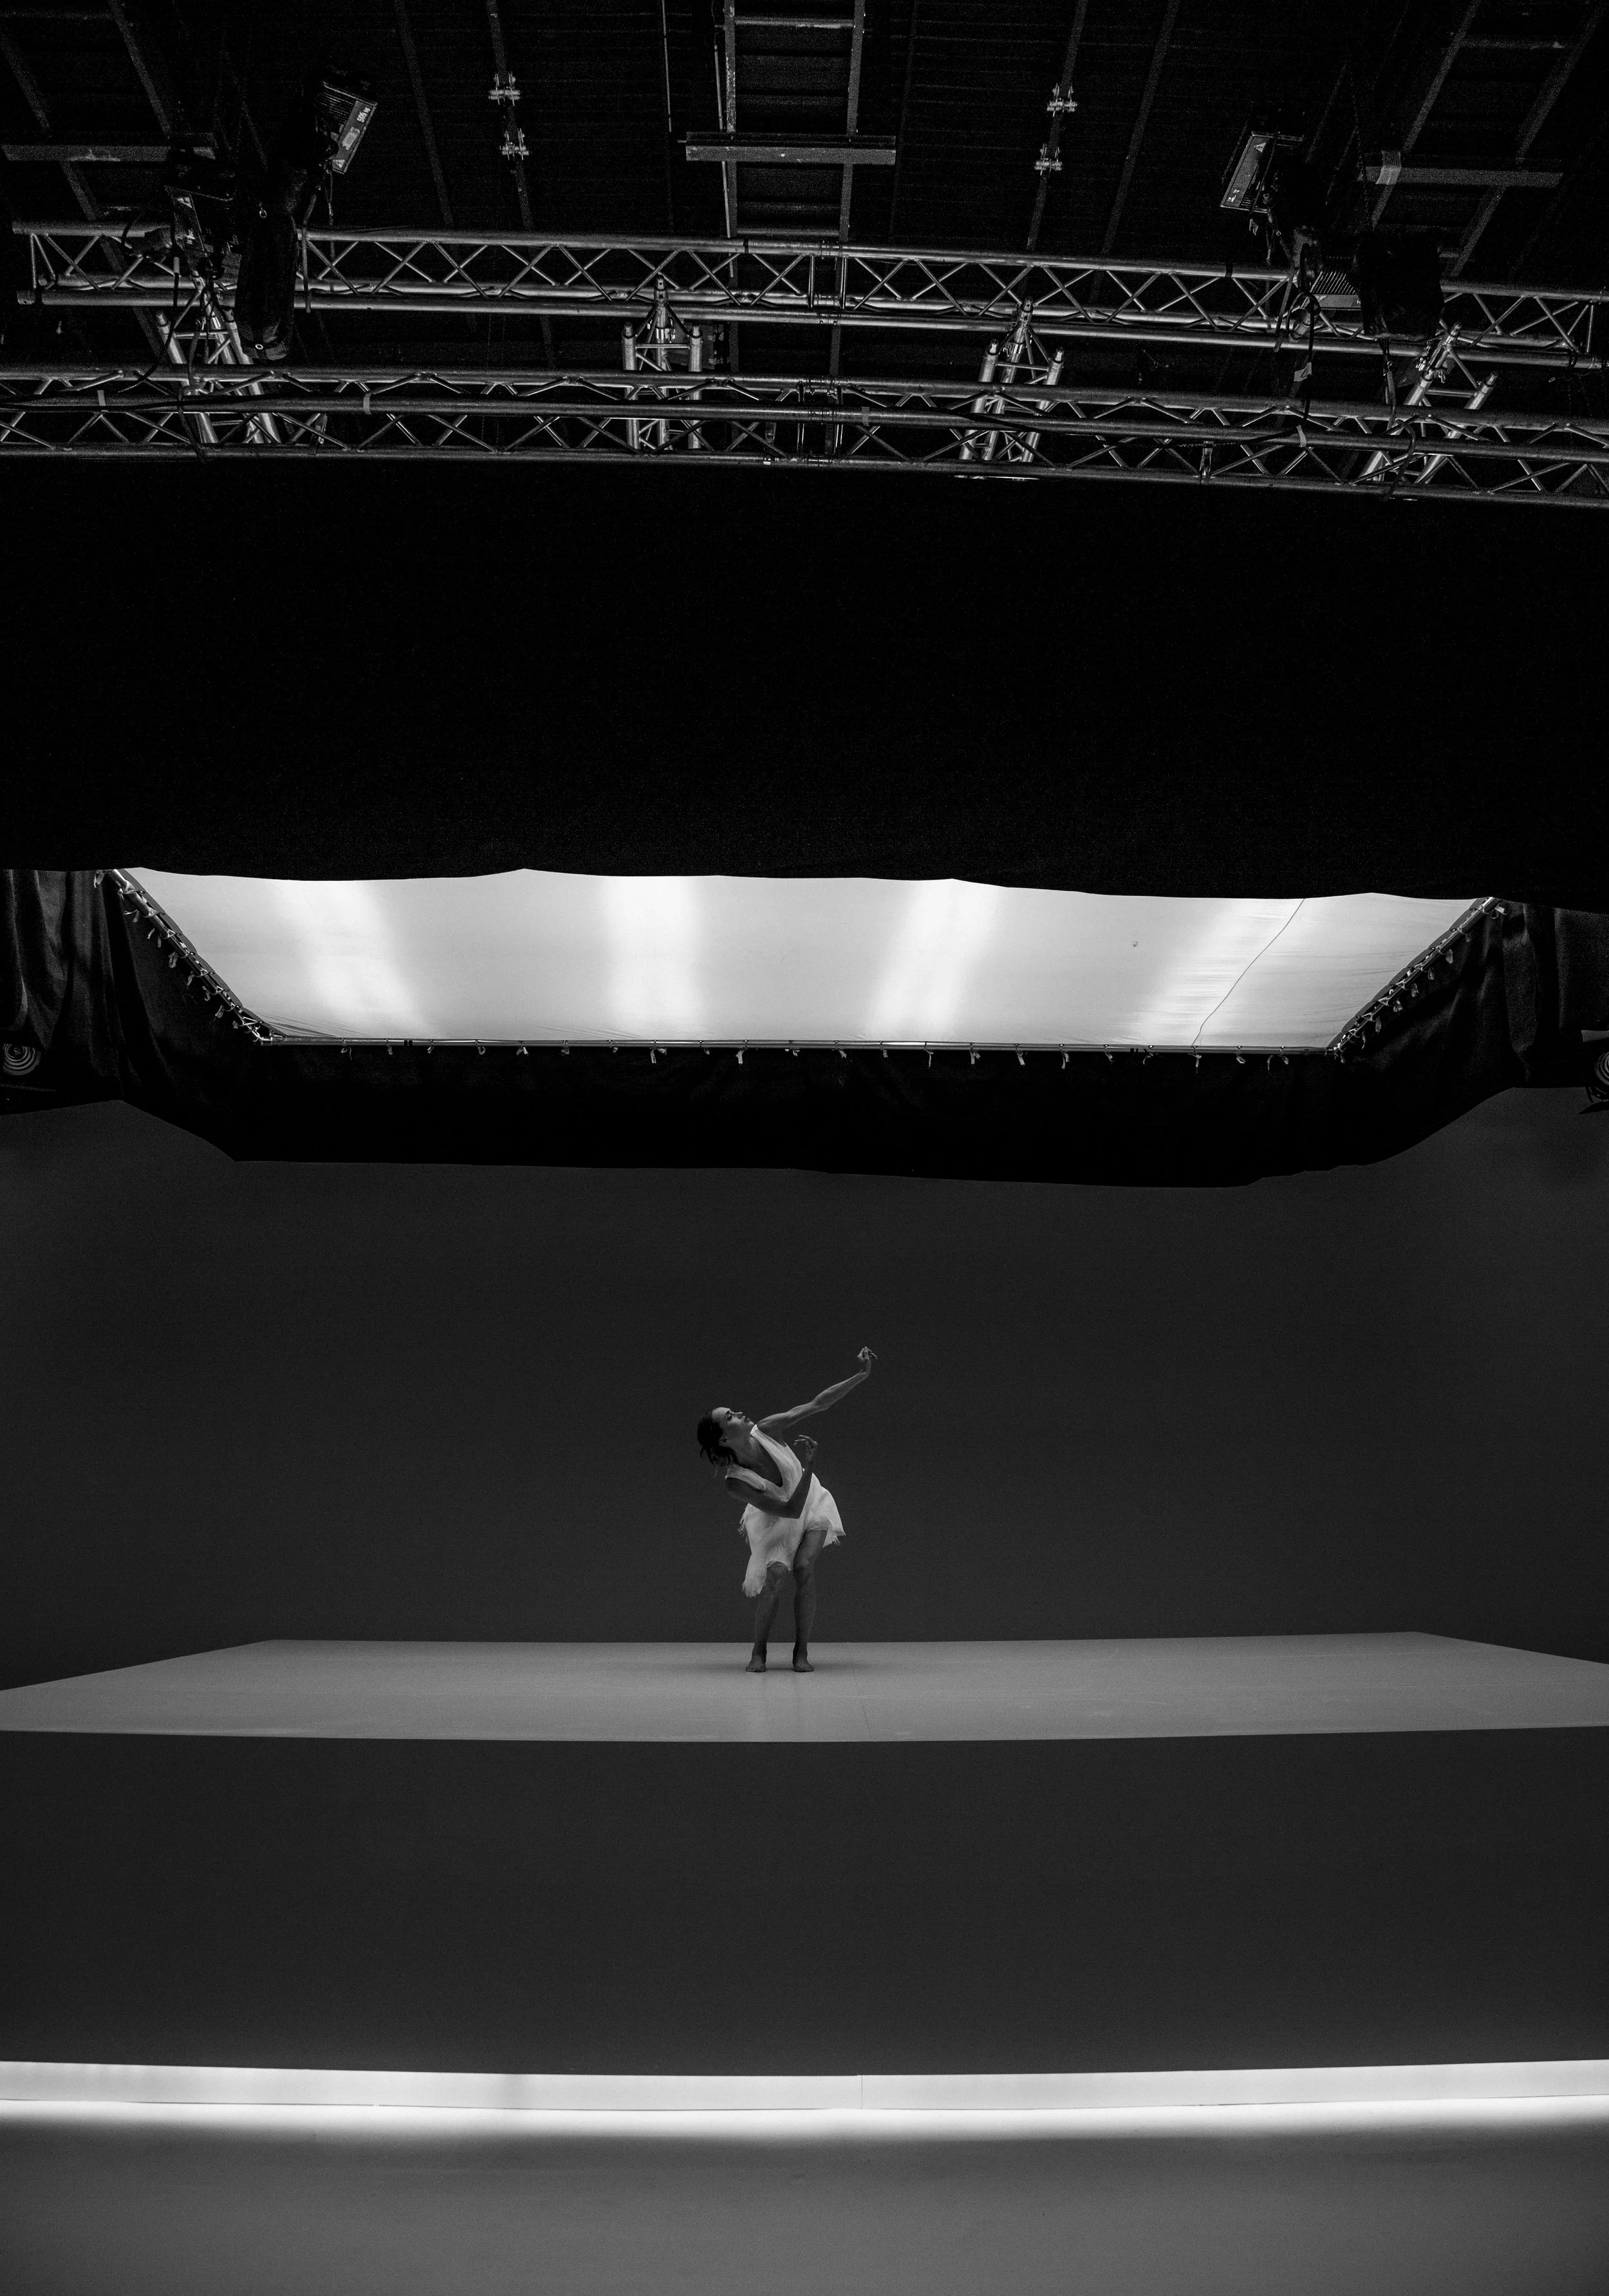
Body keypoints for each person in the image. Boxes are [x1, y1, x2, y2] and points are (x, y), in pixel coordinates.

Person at [695, 1348, 875, 1673]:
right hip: (775, 1517)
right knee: (776, 1576)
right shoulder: (735, 1483)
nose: (740, 1414)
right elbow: (789, 1511)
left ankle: (801, 1651)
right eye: (730, 1417)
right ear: (723, 1440)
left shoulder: (766, 1429)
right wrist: (809, 1467)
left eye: (734, 1411)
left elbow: (817, 1404)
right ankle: (759, 1651)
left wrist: (860, 1376)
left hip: (812, 1500)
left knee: (803, 1569)